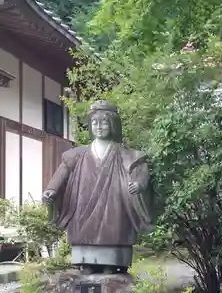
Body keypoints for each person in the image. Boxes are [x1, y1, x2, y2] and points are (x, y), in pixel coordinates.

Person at [42, 100, 153, 274]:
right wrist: (52, 190)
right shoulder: (77, 154)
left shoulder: (126, 154)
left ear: (113, 125)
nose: (99, 127)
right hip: (83, 201)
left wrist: (139, 184)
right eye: (94, 122)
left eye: (104, 122)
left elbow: (139, 170)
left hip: (114, 202)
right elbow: (62, 172)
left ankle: (112, 263)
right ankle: (85, 262)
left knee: (114, 228)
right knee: (83, 235)